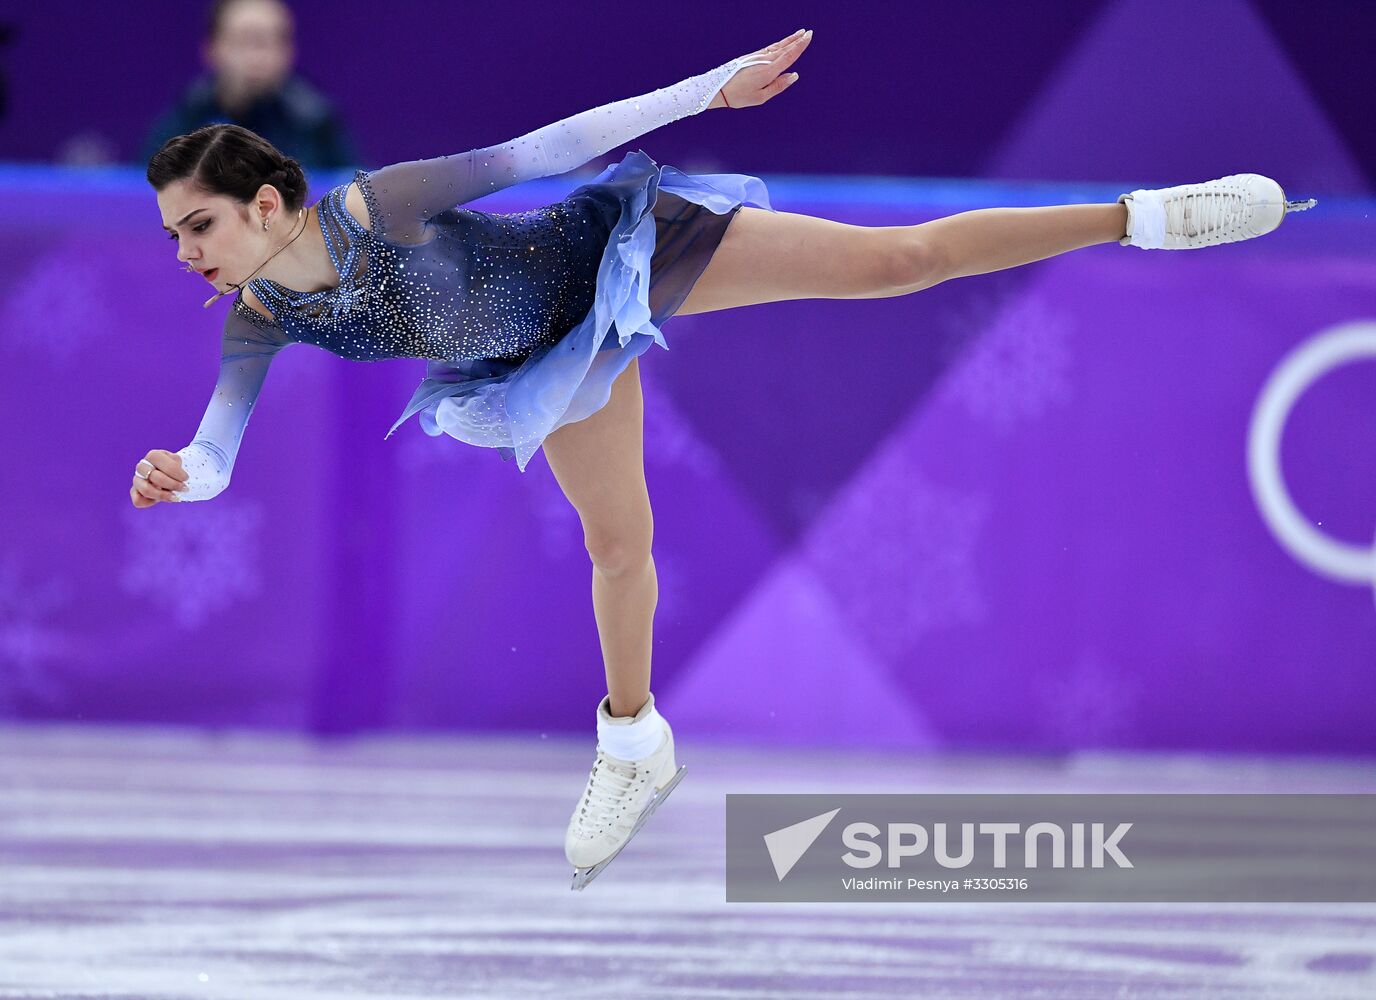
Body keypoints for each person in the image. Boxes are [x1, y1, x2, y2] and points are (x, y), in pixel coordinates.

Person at [134, 29, 1312, 888]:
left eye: (201, 224)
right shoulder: (261, 320)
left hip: (615, 256)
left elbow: (552, 144)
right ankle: (632, 741)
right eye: (176, 233)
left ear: (272, 199)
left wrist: (711, 89)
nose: (189, 250)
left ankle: (1144, 214)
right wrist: (186, 472)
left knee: (893, 266)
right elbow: (219, 445)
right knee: (617, 546)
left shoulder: (377, 205)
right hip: (542, 357)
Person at [140, 0, 359, 170]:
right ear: (212, 48)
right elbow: (143, 192)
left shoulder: (314, 122)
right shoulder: (189, 116)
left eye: (272, 41)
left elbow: (358, 201)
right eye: (246, 40)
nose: (259, 56)